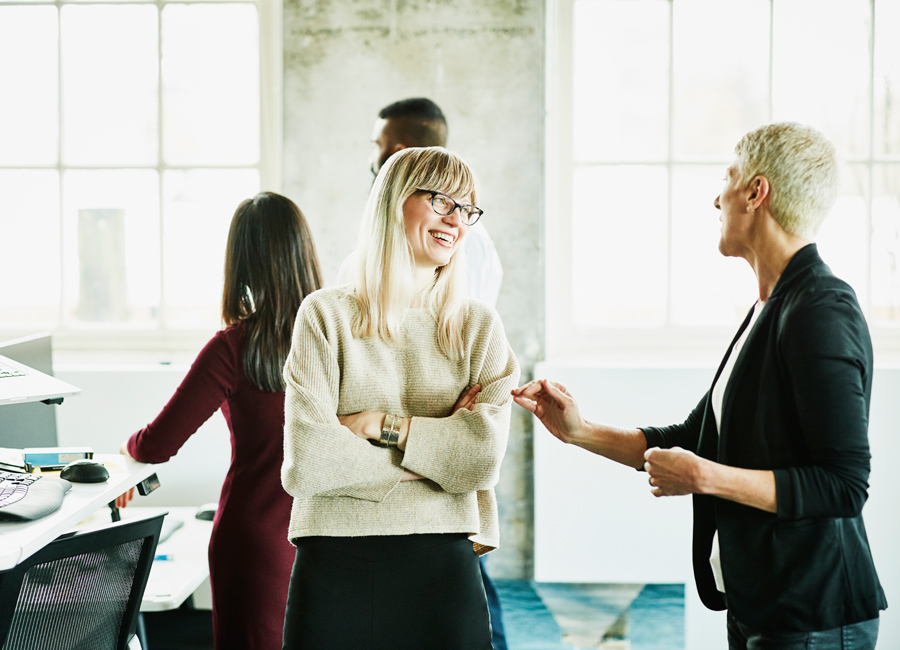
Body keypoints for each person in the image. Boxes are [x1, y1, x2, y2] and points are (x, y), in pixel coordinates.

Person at [513, 123, 887, 649]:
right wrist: (579, 431)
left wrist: (706, 478)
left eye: (727, 179)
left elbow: (842, 486)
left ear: (756, 193)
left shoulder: (821, 308)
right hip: (761, 605)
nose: (717, 198)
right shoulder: (768, 308)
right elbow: (695, 439)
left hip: (812, 616)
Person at [280, 146, 520, 649]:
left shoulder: (479, 327)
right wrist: (437, 453)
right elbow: (309, 464)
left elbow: (480, 460)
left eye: (466, 208)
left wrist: (377, 426)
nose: (456, 219)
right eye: (441, 201)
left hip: (442, 562)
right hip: (334, 557)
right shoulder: (324, 315)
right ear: (394, 201)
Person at [119, 192, 323, 650]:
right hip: (328, 541)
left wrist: (126, 449)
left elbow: (156, 445)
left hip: (255, 545)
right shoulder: (339, 342)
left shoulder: (232, 347)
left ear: (241, 265)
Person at [370, 97, 509, 649]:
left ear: (399, 153)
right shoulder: (350, 292)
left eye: (380, 150)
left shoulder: (459, 246)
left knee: (466, 581)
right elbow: (316, 453)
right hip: (402, 486)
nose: (376, 161)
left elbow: (458, 380)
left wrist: (381, 425)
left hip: (442, 482)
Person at [371, 97, 504, 307]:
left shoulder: (463, 241)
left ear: (399, 152)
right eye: (441, 201)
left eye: (378, 146)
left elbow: (459, 319)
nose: (456, 220)